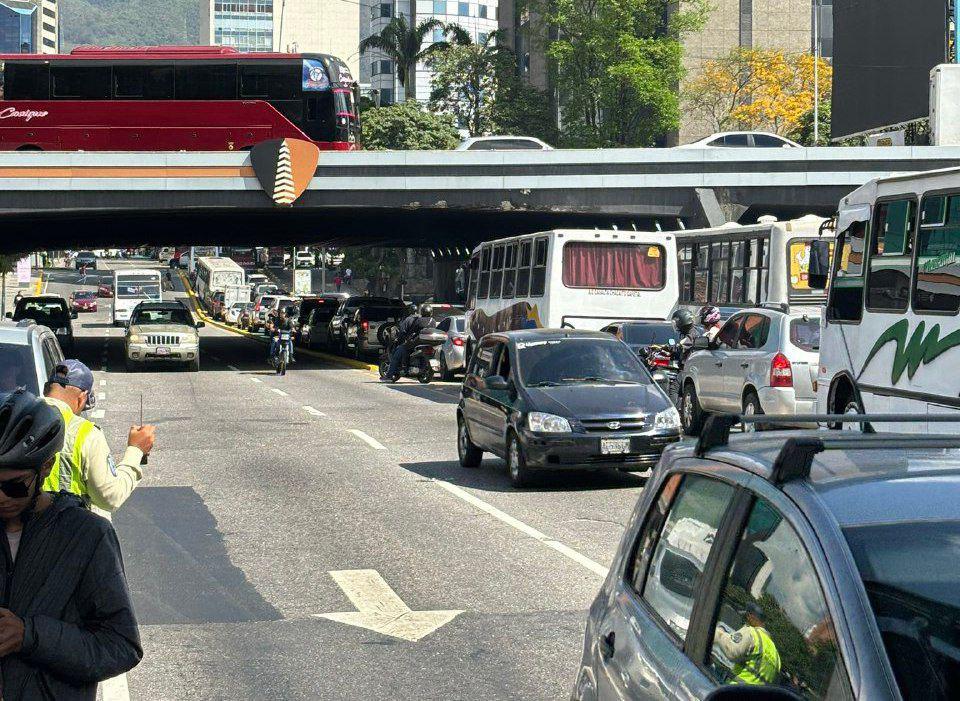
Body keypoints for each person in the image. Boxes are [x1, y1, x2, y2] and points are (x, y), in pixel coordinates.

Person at [0, 389, 143, 699]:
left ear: (46, 467)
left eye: (13, 486)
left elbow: (121, 646)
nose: (0, 498)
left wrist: (29, 636)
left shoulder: (88, 536)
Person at [42, 361, 156, 513]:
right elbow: (110, 498)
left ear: (45, 390)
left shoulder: (18, 417)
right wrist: (136, 450)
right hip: (67, 523)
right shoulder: (85, 433)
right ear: (82, 398)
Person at [714, 602, 781, 686]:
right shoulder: (776, 656)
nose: (745, 621)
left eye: (746, 617)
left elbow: (732, 650)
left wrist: (719, 633)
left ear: (751, 616)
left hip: (734, 690)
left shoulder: (751, 633)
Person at [383, 304, 436, 382]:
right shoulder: (433, 321)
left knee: (397, 355)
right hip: (427, 344)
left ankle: (389, 376)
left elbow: (409, 331)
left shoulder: (416, 320)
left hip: (416, 343)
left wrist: (405, 338)